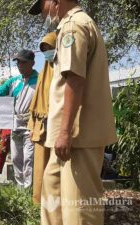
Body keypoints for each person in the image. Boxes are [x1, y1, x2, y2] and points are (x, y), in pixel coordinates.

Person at [29, 1, 117, 224]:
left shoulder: (73, 26)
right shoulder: (76, 24)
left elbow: (75, 81)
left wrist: (65, 132)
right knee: (53, 203)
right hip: (68, 137)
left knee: (79, 211)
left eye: (43, 6)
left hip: (77, 137)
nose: (42, 14)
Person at [0, 49, 38, 188]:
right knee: (16, 158)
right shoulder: (14, 81)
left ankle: (29, 190)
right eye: (18, 62)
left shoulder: (40, 81)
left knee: (29, 158)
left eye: (23, 62)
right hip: (15, 123)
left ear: (32, 63)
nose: (20, 65)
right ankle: (20, 188)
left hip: (32, 125)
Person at [27, 31, 57, 204]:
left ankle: (54, 204)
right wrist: (32, 127)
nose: (47, 52)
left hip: (57, 126)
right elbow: (35, 103)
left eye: (50, 47)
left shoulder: (63, 71)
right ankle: (37, 203)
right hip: (40, 127)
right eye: (44, 49)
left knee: (55, 171)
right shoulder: (43, 73)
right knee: (40, 168)